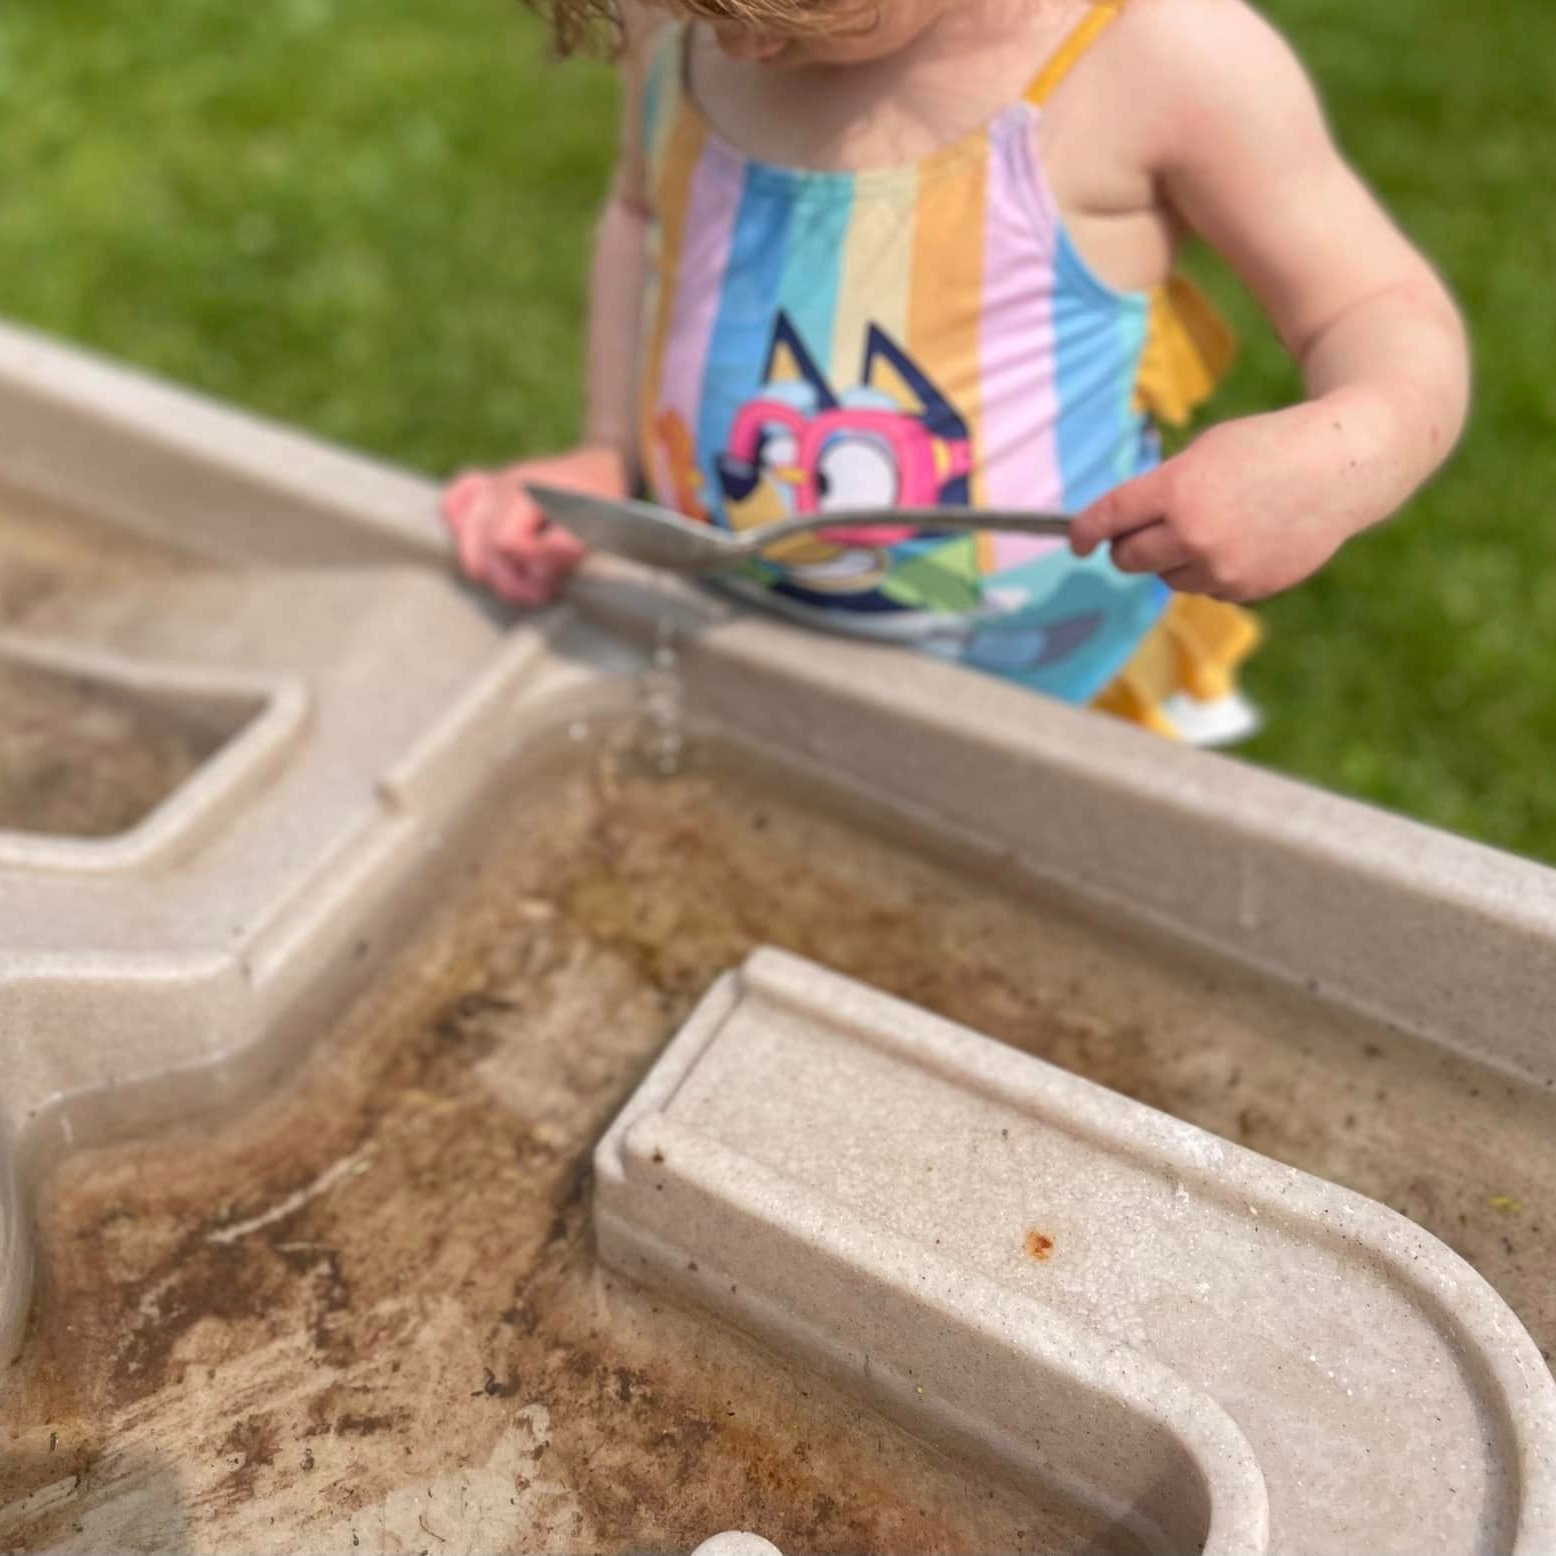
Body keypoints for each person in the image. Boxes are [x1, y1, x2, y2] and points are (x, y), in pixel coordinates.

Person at [442, 0, 1468, 744]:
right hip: (745, 638)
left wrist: (1345, 455)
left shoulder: (1150, 57)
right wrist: (607, 449)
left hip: (1048, 693)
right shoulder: (678, 24)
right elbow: (637, 213)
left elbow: (1375, 310)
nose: (741, 39)